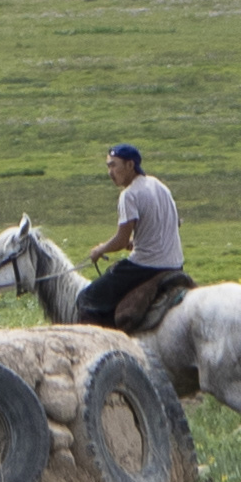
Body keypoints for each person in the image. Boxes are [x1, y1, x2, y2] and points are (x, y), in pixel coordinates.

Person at [82, 139, 188, 335]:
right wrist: (138, 241)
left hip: (146, 266)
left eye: (114, 166)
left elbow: (120, 240)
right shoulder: (158, 185)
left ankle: (106, 341)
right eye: (108, 167)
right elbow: (172, 223)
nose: (110, 172)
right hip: (175, 264)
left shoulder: (129, 195)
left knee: (88, 299)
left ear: (130, 165)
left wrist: (100, 250)